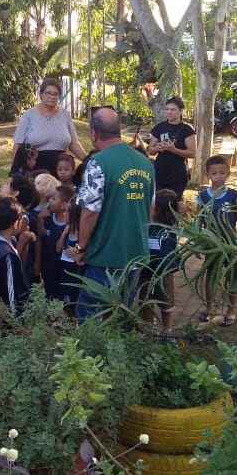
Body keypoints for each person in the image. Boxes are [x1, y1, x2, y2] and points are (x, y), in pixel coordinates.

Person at [74, 107, 155, 322]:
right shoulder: (146, 163)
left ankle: (90, 355)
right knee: (121, 315)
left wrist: (80, 248)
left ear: (93, 133)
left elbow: (90, 212)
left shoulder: (97, 163)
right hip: (136, 253)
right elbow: (151, 210)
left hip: (105, 257)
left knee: (89, 315)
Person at [196, 155, 237, 326]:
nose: (218, 176)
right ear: (208, 175)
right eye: (214, 173)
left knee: (233, 274)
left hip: (230, 242)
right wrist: (196, 243)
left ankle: (231, 310)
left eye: (222, 173)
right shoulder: (202, 197)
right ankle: (209, 307)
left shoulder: (233, 196)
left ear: (228, 173)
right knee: (210, 275)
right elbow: (198, 220)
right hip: (211, 245)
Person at [10, 77, 87, 174]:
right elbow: (17, 145)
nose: (52, 96)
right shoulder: (29, 115)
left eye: (55, 94)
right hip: (34, 174)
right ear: (41, 94)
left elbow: (73, 143)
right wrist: (14, 173)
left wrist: (88, 161)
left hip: (61, 172)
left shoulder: (65, 115)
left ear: (59, 96)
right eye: (48, 93)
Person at [133, 96, 196, 212]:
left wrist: (174, 149)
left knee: (176, 201)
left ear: (180, 111)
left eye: (173, 109)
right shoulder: (159, 127)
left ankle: (176, 226)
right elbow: (150, 151)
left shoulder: (187, 129)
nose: (169, 112)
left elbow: (192, 153)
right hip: (160, 171)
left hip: (178, 173)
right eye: (167, 109)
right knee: (158, 201)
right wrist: (157, 148)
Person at [139, 189, 181, 331]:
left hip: (163, 273)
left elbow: (181, 206)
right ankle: (149, 330)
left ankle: (167, 331)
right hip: (145, 271)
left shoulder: (172, 225)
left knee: (166, 304)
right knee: (146, 302)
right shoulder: (146, 224)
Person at [0, 195, 31, 315]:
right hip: (9, 316)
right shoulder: (7, 254)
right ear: (16, 223)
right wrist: (14, 319)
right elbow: (10, 289)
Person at [37, 184, 73, 301]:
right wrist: (40, 219)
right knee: (49, 295)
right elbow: (41, 235)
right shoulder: (48, 217)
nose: (50, 201)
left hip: (62, 271)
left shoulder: (69, 225)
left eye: (53, 199)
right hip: (47, 267)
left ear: (63, 205)